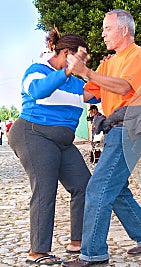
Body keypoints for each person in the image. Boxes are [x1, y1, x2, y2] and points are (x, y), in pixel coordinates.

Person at [62, 9, 141, 267]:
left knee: (98, 188)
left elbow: (123, 87)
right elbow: (88, 94)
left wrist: (86, 71)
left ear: (124, 30)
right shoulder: (108, 63)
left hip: (132, 123)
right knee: (115, 187)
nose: (103, 33)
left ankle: (93, 255)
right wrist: (60, 76)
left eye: (107, 29)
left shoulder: (139, 55)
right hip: (116, 126)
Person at [8, 28, 91, 265]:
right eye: (81, 57)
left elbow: (97, 95)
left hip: (63, 141)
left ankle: (78, 240)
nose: (83, 63)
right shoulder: (37, 70)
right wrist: (66, 71)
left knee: (83, 185)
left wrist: (101, 73)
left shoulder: (74, 83)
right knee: (45, 189)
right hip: (33, 134)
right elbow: (38, 90)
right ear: (66, 53)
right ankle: (38, 251)